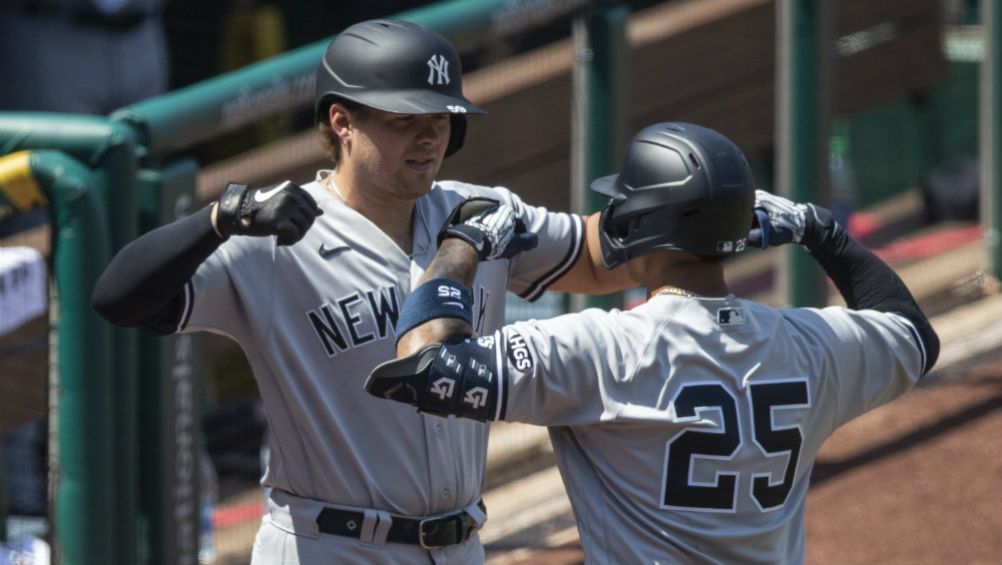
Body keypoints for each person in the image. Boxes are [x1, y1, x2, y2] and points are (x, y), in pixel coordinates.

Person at [90, 18, 632, 565]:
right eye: (404, 121)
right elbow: (118, 299)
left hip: (460, 546)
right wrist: (216, 220)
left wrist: (682, 209)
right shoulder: (274, 240)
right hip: (328, 546)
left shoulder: (479, 213)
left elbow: (592, 257)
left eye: (441, 119)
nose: (428, 137)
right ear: (342, 122)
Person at [365, 122, 941, 564]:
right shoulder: (810, 344)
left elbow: (425, 363)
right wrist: (822, 232)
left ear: (639, 225)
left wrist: (463, 243)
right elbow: (912, 332)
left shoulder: (602, 351)